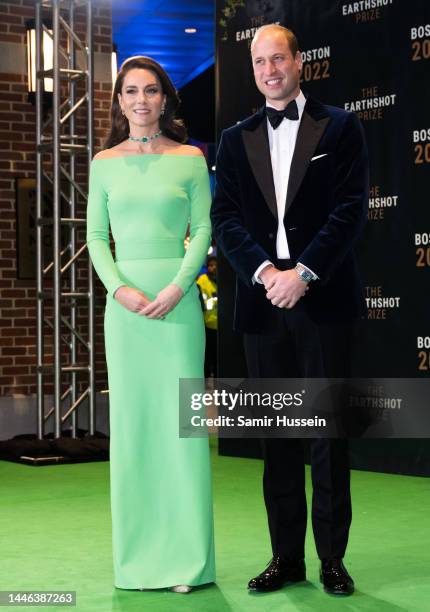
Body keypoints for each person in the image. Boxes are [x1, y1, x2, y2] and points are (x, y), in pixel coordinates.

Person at [211, 24, 368, 596]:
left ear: (300, 61)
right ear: (253, 69)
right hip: (261, 299)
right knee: (276, 437)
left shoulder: (342, 126)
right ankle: (286, 557)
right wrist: (265, 274)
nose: (270, 70)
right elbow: (225, 218)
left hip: (321, 297)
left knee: (327, 431)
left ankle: (331, 559)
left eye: (279, 58)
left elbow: (350, 211)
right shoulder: (234, 139)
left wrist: (302, 274)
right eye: (259, 62)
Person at [86, 55, 215, 593]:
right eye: (131, 91)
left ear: (165, 99)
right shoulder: (103, 162)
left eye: (152, 90)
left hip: (177, 306)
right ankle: (136, 563)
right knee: (136, 431)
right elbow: (96, 238)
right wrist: (120, 289)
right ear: (120, 101)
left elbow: (205, 229)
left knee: (181, 433)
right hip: (127, 312)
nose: (141, 100)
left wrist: (175, 288)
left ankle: (188, 562)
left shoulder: (189, 158)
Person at [197, 256, 218, 377]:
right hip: (206, 325)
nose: (213, 267)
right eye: (210, 265)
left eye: (215, 265)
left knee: (218, 358)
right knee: (206, 357)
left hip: (220, 326)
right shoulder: (201, 281)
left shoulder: (222, 280)